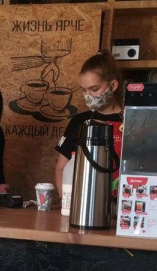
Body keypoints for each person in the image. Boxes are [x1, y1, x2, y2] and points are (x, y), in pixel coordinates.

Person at [54, 50, 124, 198]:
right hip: (86, 202)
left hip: (124, 201)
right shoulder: (79, 121)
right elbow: (61, 168)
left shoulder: (131, 120)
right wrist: (66, 204)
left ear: (113, 86)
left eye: (94, 89)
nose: (88, 96)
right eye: (84, 90)